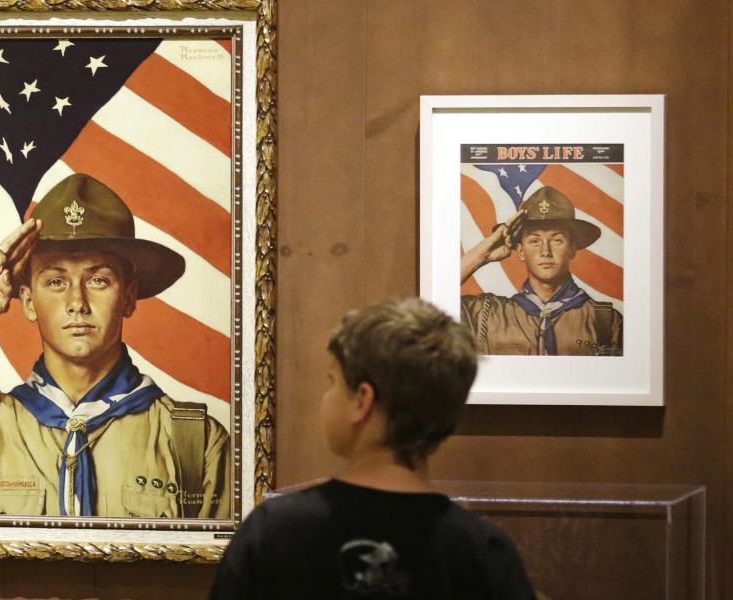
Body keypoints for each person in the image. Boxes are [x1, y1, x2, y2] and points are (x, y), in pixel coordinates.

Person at [0, 173, 230, 518]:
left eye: (98, 280)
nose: (77, 301)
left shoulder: (194, 442)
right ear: (28, 301)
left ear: (129, 297)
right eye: (56, 281)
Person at [209, 298, 535, 599]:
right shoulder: (483, 551)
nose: (326, 396)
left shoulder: (274, 531)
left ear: (362, 401)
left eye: (332, 381)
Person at [460, 186, 622, 356]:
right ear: (521, 251)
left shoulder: (605, 321)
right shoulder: (486, 314)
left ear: (572, 249)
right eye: (534, 241)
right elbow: (438, 296)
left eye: (557, 240)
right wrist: (482, 255)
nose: (545, 251)